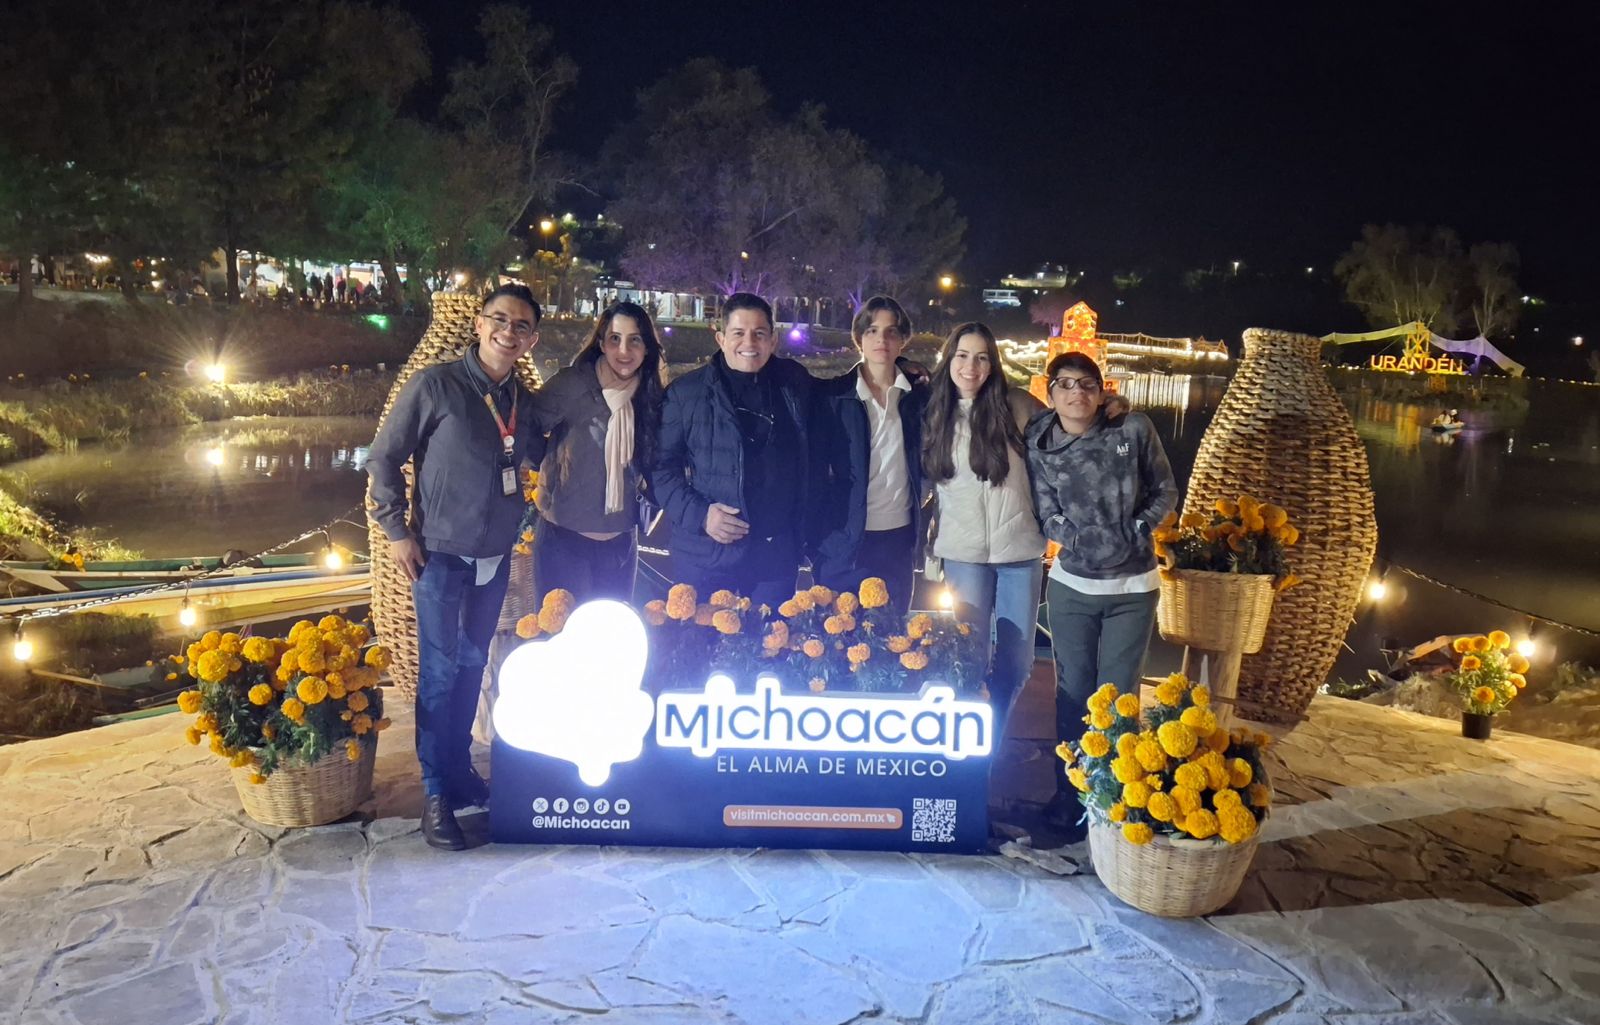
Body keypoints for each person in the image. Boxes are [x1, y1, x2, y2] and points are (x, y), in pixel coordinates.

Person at [366, 284, 543, 850]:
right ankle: (436, 794)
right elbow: (383, 458)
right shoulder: (436, 385)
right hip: (439, 556)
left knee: (471, 666)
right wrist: (396, 531)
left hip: (494, 558)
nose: (508, 332)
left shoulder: (522, 401)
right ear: (479, 324)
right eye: (500, 320)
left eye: (521, 326)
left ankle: (460, 769)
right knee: (439, 674)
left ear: (532, 340)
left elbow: (539, 458)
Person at [1025, 351, 1177, 827]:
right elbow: (1046, 511)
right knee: (1072, 694)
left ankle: (1114, 798)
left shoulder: (1132, 429)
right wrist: (1080, 540)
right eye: (1066, 384)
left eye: (1087, 384)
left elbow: (1166, 491)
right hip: (1072, 587)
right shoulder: (1039, 442)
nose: (1077, 393)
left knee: (1118, 696)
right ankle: (1069, 795)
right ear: (1050, 392)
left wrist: (1135, 530)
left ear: (1102, 389)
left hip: (1132, 589)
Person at [921, 322, 1047, 730]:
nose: (970, 367)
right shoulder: (932, 412)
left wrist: (1110, 408)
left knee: (1017, 663)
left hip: (1020, 554)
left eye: (981, 358)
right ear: (948, 359)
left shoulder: (1019, 406)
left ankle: (990, 741)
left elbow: (1071, 431)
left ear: (993, 365)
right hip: (963, 555)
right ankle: (969, 749)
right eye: (962, 356)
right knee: (967, 660)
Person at [652, 292, 812, 608]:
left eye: (759, 333)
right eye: (738, 333)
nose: (749, 342)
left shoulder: (794, 384)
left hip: (774, 554)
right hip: (705, 554)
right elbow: (660, 468)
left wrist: (899, 366)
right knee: (701, 636)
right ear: (721, 338)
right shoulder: (686, 394)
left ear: (773, 339)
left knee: (772, 636)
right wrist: (701, 515)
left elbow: (843, 391)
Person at [528, 301, 667, 605]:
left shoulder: (650, 396)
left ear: (647, 348)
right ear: (601, 343)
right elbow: (528, 428)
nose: (624, 350)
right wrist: (552, 470)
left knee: (611, 630)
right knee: (559, 628)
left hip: (620, 540)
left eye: (635, 340)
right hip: (563, 536)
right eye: (615, 339)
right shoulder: (572, 384)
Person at [810, 295, 928, 617]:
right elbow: (813, 473)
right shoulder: (834, 397)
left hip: (898, 540)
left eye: (891, 332)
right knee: (839, 634)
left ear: (903, 340)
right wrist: (815, 541)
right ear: (859, 338)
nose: (881, 340)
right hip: (843, 541)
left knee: (894, 636)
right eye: (872, 330)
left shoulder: (918, 397)